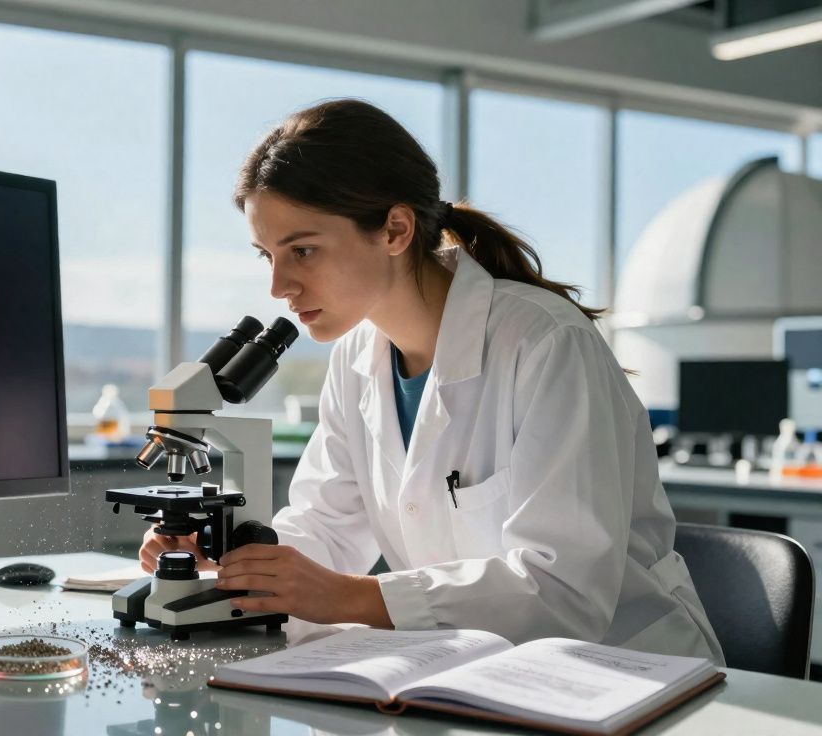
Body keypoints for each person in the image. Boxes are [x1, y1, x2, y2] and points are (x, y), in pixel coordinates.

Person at [139, 98, 724, 662]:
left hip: (623, 671)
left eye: (305, 250)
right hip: (470, 670)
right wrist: (232, 562)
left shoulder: (544, 342)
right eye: (267, 256)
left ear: (395, 229)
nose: (278, 286)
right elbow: (327, 526)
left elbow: (564, 590)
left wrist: (353, 597)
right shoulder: (357, 359)